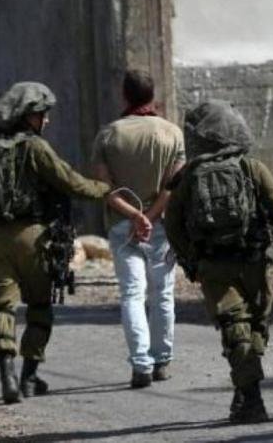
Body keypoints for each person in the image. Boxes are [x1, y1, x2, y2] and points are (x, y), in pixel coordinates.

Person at [165, 99, 273, 424]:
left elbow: (173, 225)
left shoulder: (188, 177)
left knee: (235, 328)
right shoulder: (252, 168)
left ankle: (249, 396)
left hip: (213, 267)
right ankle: (249, 394)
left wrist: (192, 263)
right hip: (254, 263)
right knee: (254, 326)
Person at [0, 82, 111, 404]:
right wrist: (106, 189)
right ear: (26, 116)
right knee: (40, 307)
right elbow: (71, 182)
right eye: (42, 114)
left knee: (0, 307)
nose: (46, 120)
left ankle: (7, 375)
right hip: (33, 237)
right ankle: (29, 377)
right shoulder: (34, 147)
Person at [92, 69, 185, 388]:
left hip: (122, 225)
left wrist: (134, 216)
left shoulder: (108, 135)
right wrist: (151, 216)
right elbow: (174, 185)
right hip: (161, 226)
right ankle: (162, 360)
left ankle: (141, 365)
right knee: (163, 293)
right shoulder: (172, 133)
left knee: (132, 293)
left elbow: (104, 188)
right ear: (152, 95)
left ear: (124, 95)